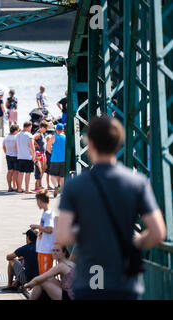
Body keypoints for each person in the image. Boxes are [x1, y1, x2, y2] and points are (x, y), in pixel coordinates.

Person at [57, 116, 166, 300]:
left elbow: (63, 235)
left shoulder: (75, 186)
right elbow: (157, 232)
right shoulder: (137, 183)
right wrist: (132, 243)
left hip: (91, 279)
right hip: (125, 281)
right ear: (119, 143)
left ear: (90, 143)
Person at [30, 189, 55, 275]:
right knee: (42, 274)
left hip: (46, 249)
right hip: (42, 248)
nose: (37, 204)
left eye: (37, 201)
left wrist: (36, 226)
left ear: (39, 201)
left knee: (45, 275)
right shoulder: (46, 212)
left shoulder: (48, 213)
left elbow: (49, 229)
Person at [15, 121, 35, 193]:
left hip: (20, 156)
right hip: (28, 156)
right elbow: (32, 147)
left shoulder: (18, 135)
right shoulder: (29, 135)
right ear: (29, 127)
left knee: (20, 173)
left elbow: (16, 146)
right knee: (28, 173)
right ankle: (27, 189)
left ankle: (19, 188)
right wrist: (34, 156)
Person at [46, 123, 66, 197]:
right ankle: (62, 190)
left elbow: (47, 147)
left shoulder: (53, 137)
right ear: (63, 129)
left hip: (55, 159)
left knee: (52, 175)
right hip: (63, 159)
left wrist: (52, 153)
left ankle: (56, 186)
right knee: (62, 176)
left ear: (56, 129)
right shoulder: (65, 137)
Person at [33, 120, 48, 191]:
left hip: (42, 153)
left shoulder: (41, 133)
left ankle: (39, 184)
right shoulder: (38, 134)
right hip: (38, 153)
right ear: (42, 127)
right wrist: (35, 144)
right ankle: (37, 185)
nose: (46, 130)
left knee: (43, 168)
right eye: (46, 128)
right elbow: (32, 138)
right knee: (39, 169)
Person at [3, 124, 19, 192]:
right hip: (15, 155)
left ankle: (9, 187)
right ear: (15, 131)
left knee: (9, 171)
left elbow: (3, 147)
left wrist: (6, 152)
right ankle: (15, 186)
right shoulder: (16, 137)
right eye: (17, 130)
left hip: (8, 155)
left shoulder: (6, 137)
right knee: (16, 172)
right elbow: (18, 147)